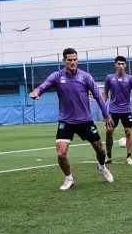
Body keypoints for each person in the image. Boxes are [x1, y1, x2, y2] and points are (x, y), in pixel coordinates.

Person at [30, 47, 115, 190]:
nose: (73, 62)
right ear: (64, 61)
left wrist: (106, 116)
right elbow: (43, 86)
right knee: (61, 154)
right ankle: (69, 179)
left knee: (101, 151)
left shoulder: (85, 77)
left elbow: (98, 96)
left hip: (85, 121)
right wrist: (36, 92)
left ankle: (101, 167)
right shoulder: (57, 76)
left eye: (75, 60)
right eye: (70, 60)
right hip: (66, 121)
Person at [103, 56, 132, 164]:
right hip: (113, 110)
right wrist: (103, 104)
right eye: (118, 64)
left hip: (126, 110)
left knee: (128, 132)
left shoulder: (130, 78)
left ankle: (129, 157)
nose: (120, 66)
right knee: (109, 132)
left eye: (122, 64)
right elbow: (105, 93)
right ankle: (108, 156)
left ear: (125, 65)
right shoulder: (109, 78)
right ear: (115, 65)